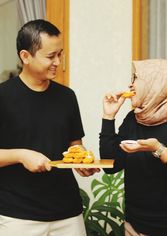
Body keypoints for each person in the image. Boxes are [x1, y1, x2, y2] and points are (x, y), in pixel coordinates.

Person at [0, 19, 99, 236]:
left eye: (60, 54)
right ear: (25, 56)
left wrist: (81, 161)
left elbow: (75, 146)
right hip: (18, 216)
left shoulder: (67, 96)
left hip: (68, 213)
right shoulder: (3, 96)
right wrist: (21, 155)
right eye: (50, 56)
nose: (57, 61)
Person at [99, 59, 167, 236]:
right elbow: (111, 165)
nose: (130, 84)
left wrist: (158, 149)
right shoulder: (134, 118)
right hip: (135, 226)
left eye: (136, 78)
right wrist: (108, 117)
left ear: (159, 84)